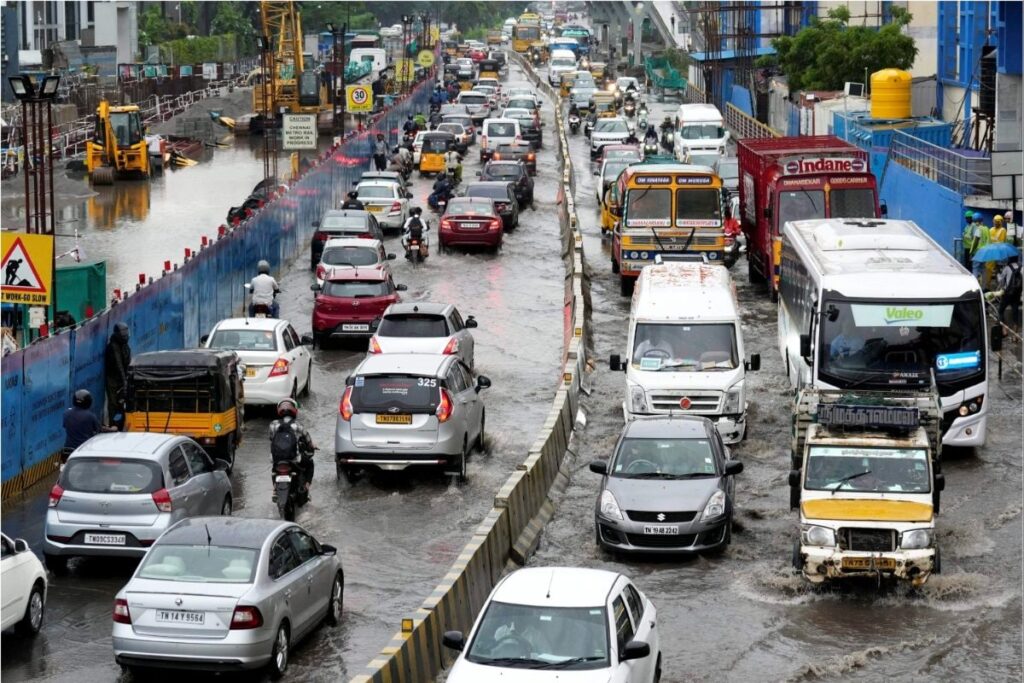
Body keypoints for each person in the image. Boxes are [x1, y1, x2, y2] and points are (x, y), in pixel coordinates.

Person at [269, 398, 315, 500]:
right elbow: (307, 439)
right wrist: (312, 445)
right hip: (294, 458)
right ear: (294, 410)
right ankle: (306, 489)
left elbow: (271, 439)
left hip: (276, 458)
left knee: (274, 469)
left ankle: (275, 489)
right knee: (310, 464)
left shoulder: (273, 424)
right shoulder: (298, 425)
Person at [62, 389, 115, 463]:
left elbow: (65, 426)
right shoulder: (90, 416)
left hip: (68, 449)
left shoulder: (66, 413)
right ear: (88, 402)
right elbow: (100, 429)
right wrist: (113, 429)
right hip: (84, 449)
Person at [104, 322, 131, 430]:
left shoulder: (125, 345)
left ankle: (120, 422)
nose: (125, 337)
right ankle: (114, 424)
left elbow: (127, 361)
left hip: (123, 377)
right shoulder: (113, 346)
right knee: (114, 403)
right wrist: (125, 382)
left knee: (122, 403)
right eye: (123, 335)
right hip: (113, 379)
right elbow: (119, 364)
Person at [996, 255, 1022, 328]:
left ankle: (1004, 330)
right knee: (1015, 311)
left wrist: (998, 273)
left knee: (1000, 310)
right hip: (1017, 293)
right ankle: (1015, 332)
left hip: (1007, 293)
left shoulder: (1007, 268)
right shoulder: (1022, 267)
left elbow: (1000, 280)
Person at [969, 213, 991, 280]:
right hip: (985, 252)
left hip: (978, 252)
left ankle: (975, 287)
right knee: (983, 269)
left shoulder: (978, 229)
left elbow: (975, 242)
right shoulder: (986, 229)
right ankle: (983, 287)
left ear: (975, 221)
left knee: (975, 268)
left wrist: (971, 252)